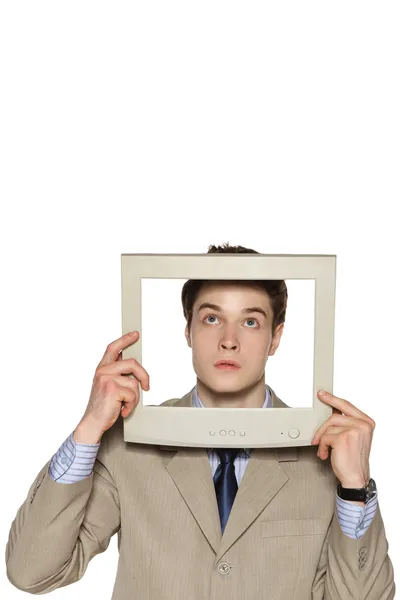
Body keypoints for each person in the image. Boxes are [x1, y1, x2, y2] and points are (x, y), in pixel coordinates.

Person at [5, 243, 396, 599]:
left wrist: (355, 489)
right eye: (212, 319)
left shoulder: (325, 454)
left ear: (275, 338)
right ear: (188, 330)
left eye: (250, 322)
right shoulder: (128, 445)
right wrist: (88, 429)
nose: (228, 340)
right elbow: (31, 572)